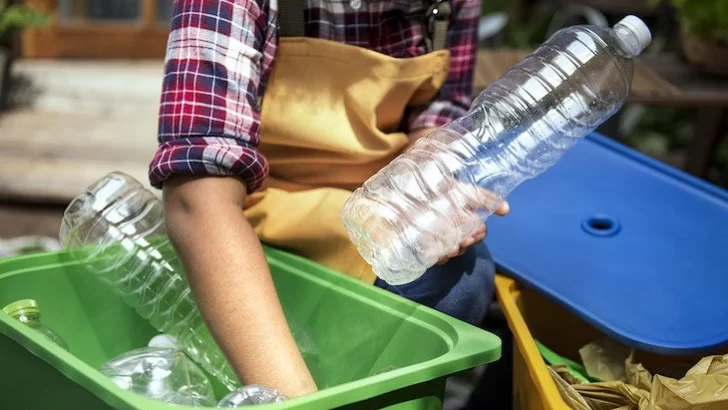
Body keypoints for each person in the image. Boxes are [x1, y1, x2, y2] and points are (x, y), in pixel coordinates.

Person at [149, 0, 509, 398]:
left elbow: (437, 116)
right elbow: (196, 199)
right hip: (250, 217)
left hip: (369, 212)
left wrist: (427, 187)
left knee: (463, 278)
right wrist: (296, 401)